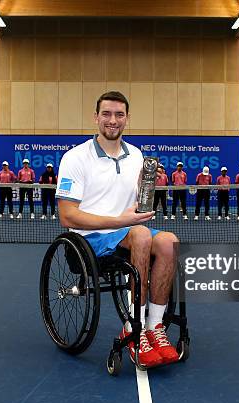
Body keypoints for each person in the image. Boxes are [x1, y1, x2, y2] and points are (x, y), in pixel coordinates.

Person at [56, 91, 180, 368]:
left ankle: (154, 328)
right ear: (96, 117)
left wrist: (147, 187)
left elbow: (137, 205)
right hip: (89, 240)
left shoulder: (136, 155)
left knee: (170, 242)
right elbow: (67, 216)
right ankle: (132, 327)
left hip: (128, 233)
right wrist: (122, 222)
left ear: (126, 119)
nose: (113, 120)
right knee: (141, 233)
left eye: (119, 115)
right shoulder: (75, 158)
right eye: (107, 114)